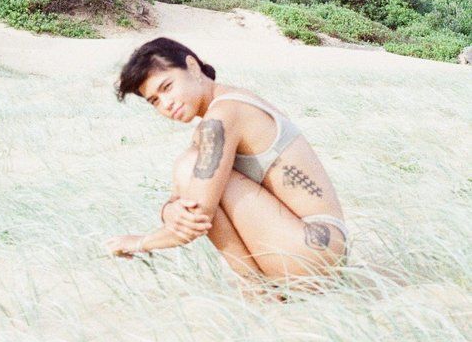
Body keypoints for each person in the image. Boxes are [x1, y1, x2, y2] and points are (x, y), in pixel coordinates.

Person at [104, 37, 349, 285]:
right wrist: (169, 210)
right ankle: (259, 286)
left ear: (192, 67)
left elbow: (197, 215)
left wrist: (140, 243)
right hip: (320, 250)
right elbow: (185, 192)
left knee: (190, 166)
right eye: (155, 101)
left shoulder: (223, 116)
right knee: (188, 165)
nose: (166, 104)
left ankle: (256, 287)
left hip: (310, 249)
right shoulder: (225, 106)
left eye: (167, 87)